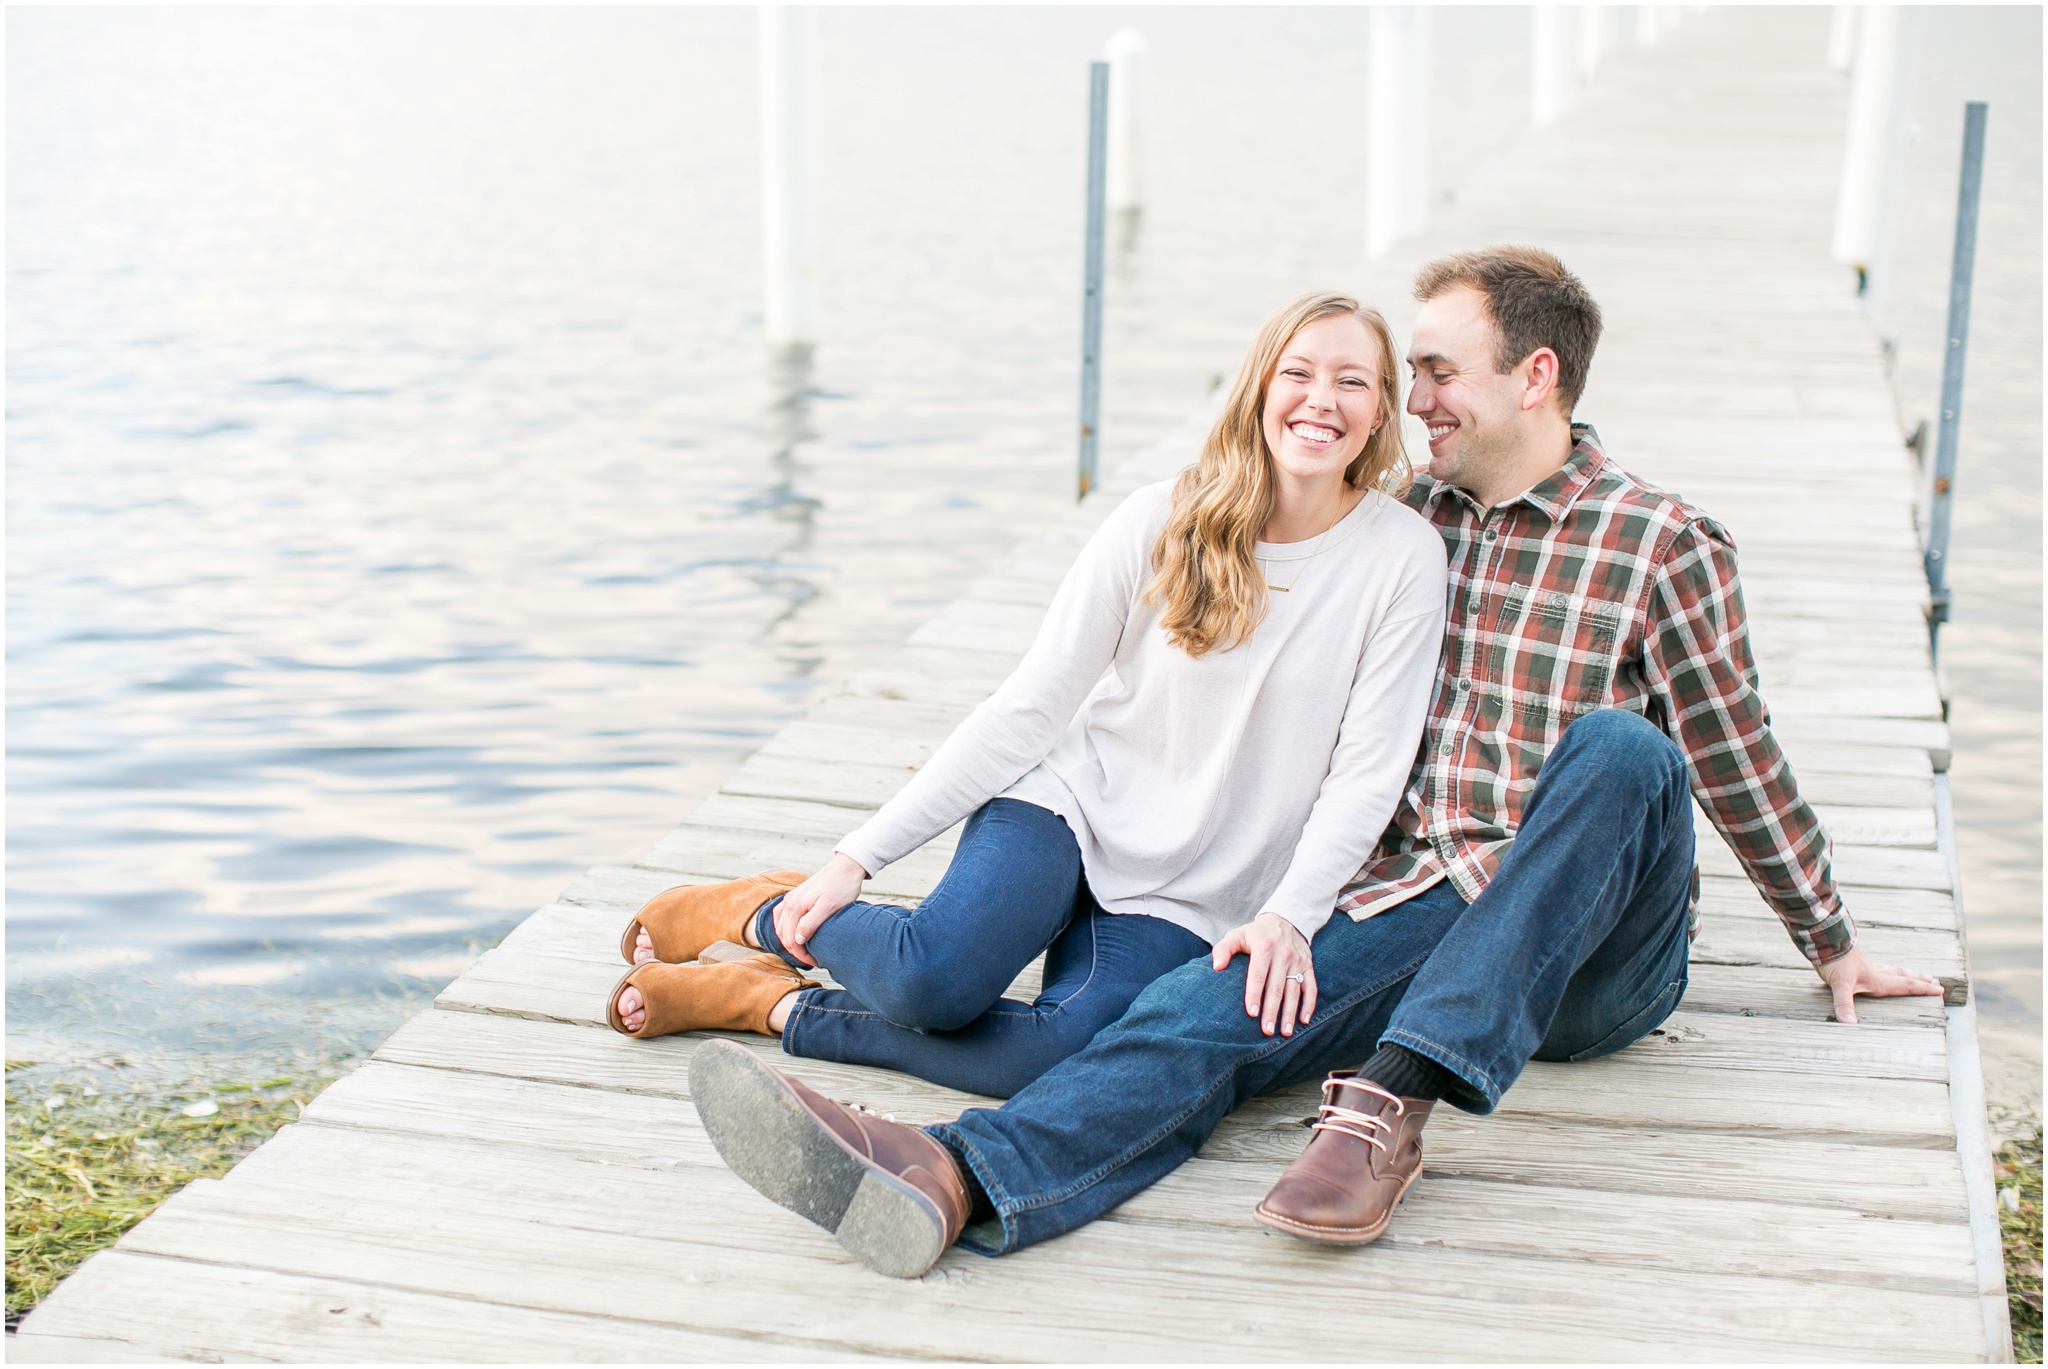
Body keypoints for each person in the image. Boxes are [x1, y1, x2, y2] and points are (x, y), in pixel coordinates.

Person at [688, 245, 1947, 1279]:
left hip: (1590, 957)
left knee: (1621, 750)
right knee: (1196, 1007)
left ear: (1536, 375)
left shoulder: (1657, 541)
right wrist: (1285, 913)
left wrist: (1826, 939)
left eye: (1438, 373)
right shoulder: (1413, 516)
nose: (1418, 403)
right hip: (1421, 904)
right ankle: (957, 1173)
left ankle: (1388, 1099)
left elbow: (1732, 749)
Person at [602, 290, 1450, 1101]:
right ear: (1260, 385)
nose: (1321, 400)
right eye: (1298, 372)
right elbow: (1030, 707)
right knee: (931, 981)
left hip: (1198, 887)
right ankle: (765, 910)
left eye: (1353, 381)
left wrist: (1290, 919)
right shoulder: (1161, 518)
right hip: (1071, 809)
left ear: (1381, 411)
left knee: (1057, 1054)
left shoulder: (1401, 557)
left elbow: (1368, 773)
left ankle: (764, 1000)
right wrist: (854, 859)